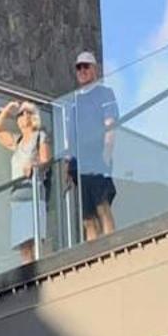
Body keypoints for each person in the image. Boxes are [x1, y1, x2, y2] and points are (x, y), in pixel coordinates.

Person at [63, 51, 119, 241]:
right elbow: (71, 135)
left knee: (102, 205)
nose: (82, 70)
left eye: (86, 66)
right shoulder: (74, 101)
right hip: (80, 162)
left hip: (97, 156)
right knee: (87, 216)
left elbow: (110, 123)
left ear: (94, 69)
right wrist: (68, 164)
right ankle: (93, 255)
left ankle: (111, 246)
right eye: (79, 67)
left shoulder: (104, 93)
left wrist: (107, 151)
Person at [0, 101, 52, 265]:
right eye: (21, 114)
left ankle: (40, 273)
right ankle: (28, 276)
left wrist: (34, 165)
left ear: (34, 117)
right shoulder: (17, 141)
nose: (24, 116)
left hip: (33, 191)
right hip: (17, 195)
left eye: (28, 113)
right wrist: (8, 111)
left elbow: (46, 160)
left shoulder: (40, 136)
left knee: (34, 239)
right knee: (23, 244)